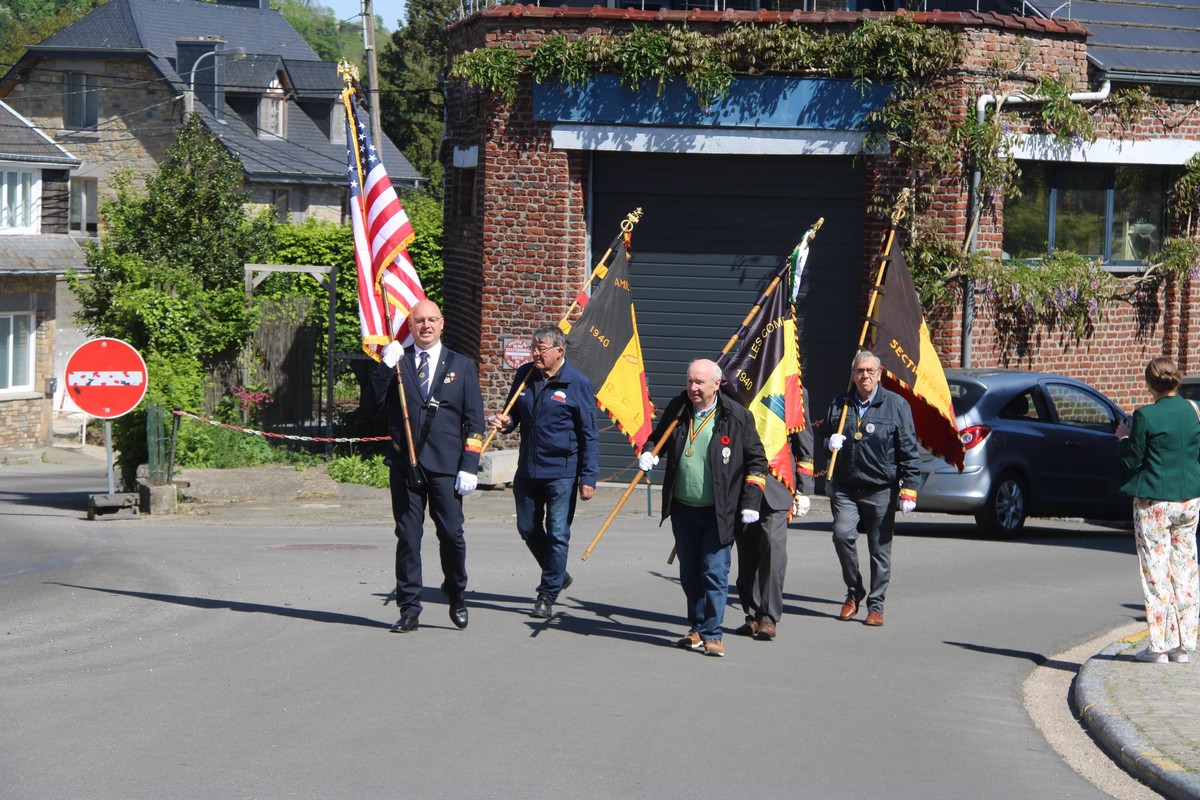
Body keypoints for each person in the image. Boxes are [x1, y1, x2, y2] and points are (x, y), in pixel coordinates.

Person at [369, 300, 485, 634]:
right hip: (405, 464)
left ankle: (456, 592)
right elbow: (371, 406)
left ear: (442, 323)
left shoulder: (462, 365)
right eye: (419, 321)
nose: (426, 326)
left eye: (432, 320)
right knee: (408, 536)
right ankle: (409, 608)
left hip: (447, 467)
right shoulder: (398, 362)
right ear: (410, 325)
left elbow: (474, 421)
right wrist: (383, 367)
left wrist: (469, 464)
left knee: (451, 535)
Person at [639, 359, 767, 657]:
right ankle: (696, 627)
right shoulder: (679, 408)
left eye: (699, 382)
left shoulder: (737, 416)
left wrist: (751, 501)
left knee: (714, 571)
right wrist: (649, 452)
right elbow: (659, 439)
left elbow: (757, 461)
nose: (693, 388)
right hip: (683, 507)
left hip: (719, 511)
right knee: (689, 573)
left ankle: (712, 633)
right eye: (690, 381)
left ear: (717, 384)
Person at [491, 324, 599, 620]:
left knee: (558, 532)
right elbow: (514, 413)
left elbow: (589, 434)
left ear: (559, 351)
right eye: (533, 349)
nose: (535, 354)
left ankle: (547, 594)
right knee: (527, 528)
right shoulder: (525, 375)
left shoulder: (577, 383)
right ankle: (558, 573)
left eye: (541, 349)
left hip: (562, 472)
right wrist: (506, 423)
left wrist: (588, 477)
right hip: (528, 469)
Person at [1112, 356, 1200, 663]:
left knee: (1156, 572)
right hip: (1189, 499)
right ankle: (1183, 646)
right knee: (1185, 570)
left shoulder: (1145, 416)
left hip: (1154, 501)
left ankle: (1160, 646)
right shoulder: (1194, 410)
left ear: (1150, 384)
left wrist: (1123, 439)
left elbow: (1131, 461)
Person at [823, 350, 920, 627]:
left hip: (880, 489)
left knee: (879, 549)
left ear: (879, 374)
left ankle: (876, 605)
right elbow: (824, 438)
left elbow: (909, 449)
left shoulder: (896, 405)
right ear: (853, 375)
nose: (864, 376)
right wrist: (829, 443)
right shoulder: (840, 403)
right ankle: (854, 591)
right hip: (845, 486)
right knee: (842, 536)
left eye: (870, 371)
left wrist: (909, 487)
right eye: (859, 371)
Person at [734, 387, 815, 641]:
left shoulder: (793, 387)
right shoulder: (738, 383)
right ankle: (752, 613)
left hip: (777, 481)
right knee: (747, 550)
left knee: (773, 547)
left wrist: (804, 488)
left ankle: (768, 617)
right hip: (743, 481)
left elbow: (803, 437)